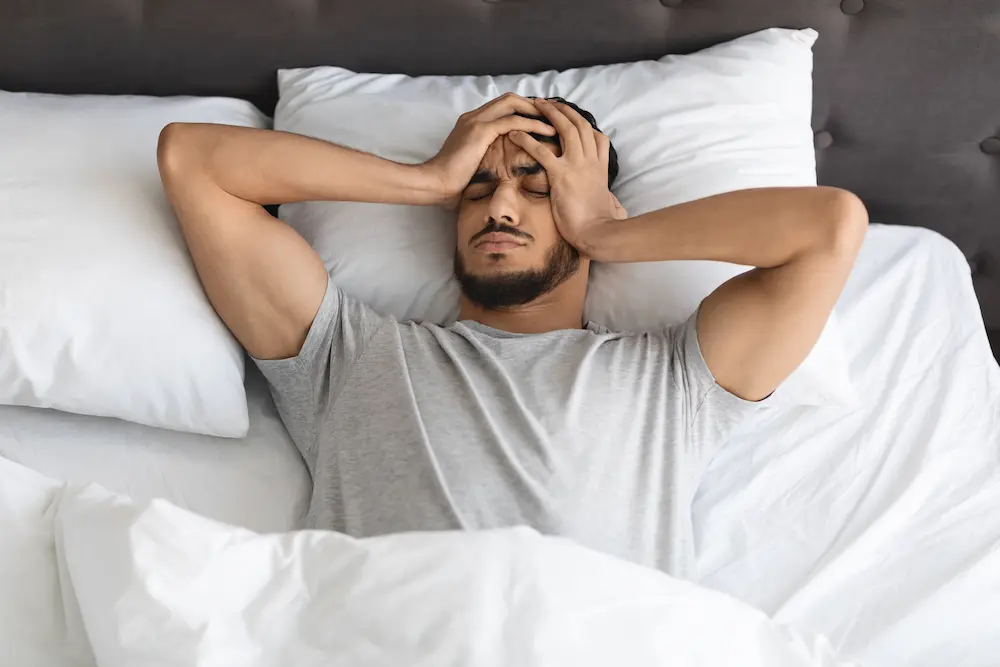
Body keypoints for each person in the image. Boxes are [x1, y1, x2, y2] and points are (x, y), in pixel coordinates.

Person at [157, 93, 867, 577]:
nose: (499, 205)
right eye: (478, 187)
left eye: (537, 187)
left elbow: (829, 228)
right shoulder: (352, 355)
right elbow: (193, 159)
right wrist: (426, 178)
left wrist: (606, 232)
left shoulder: (676, 379)